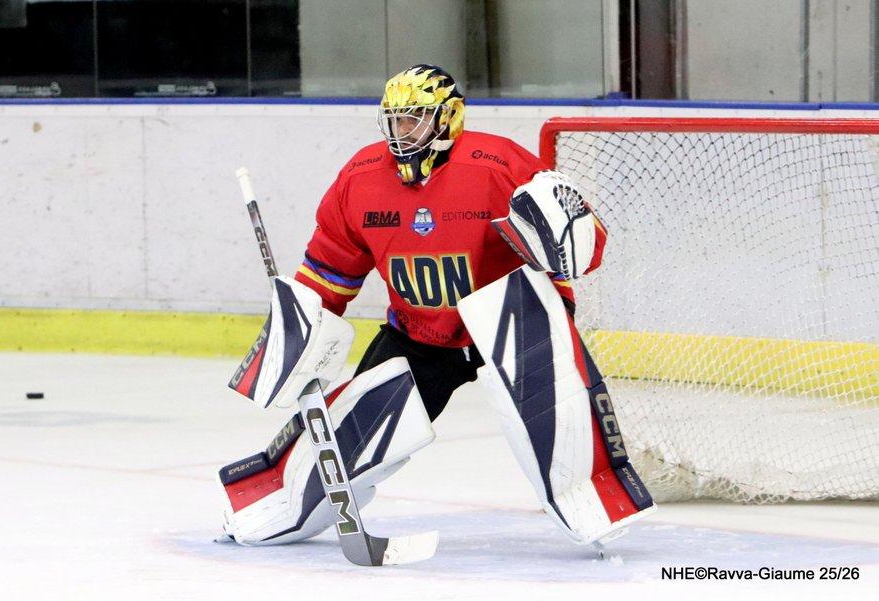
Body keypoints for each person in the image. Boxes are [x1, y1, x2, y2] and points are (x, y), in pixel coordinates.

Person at [217, 64, 654, 549]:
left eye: (414, 118)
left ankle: (597, 501)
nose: (401, 131)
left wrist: (565, 231)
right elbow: (329, 269)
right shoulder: (361, 179)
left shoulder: (496, 164)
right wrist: (302, 324)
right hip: (419, 333)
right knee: (353, 433)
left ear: (448, 117)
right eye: (395, 119)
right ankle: (274, 501)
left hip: (512, 318)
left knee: (563, 422)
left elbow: (583, 244)